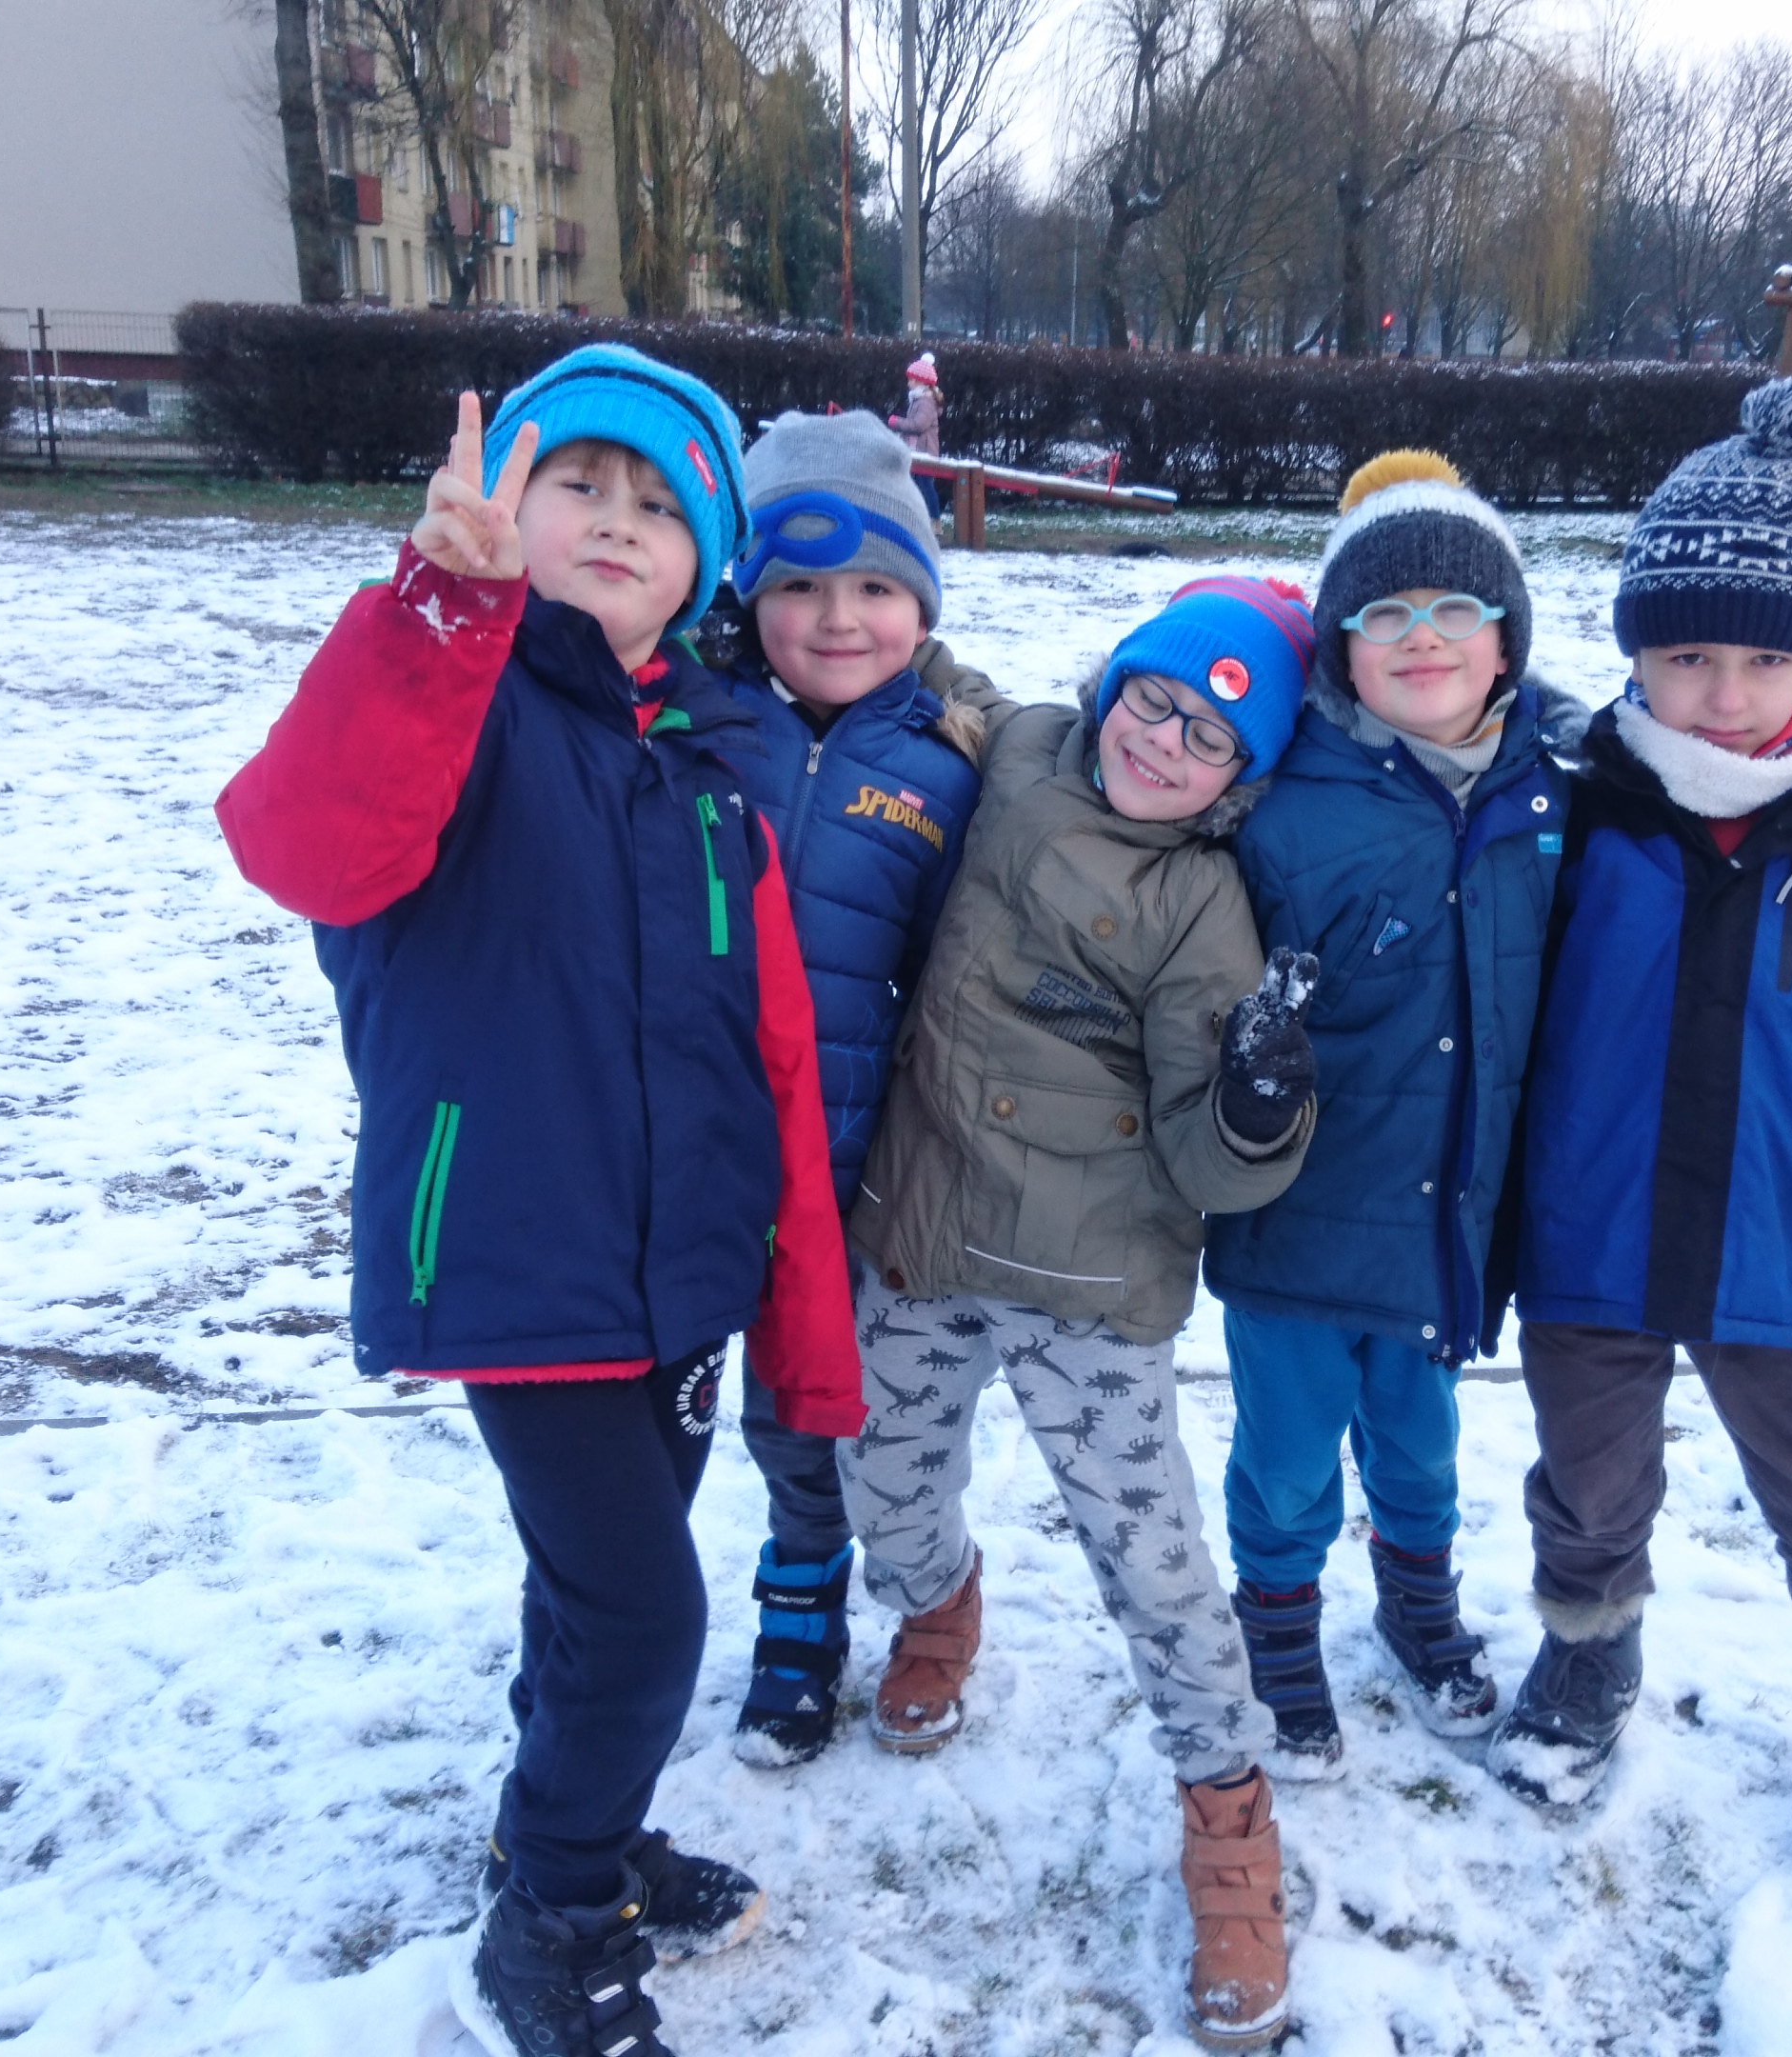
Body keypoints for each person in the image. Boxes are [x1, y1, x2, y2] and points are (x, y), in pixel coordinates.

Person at [214, 343, 862, 2057]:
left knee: (591, 1597)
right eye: (580, 480)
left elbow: (762, 1042)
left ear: (704, 565)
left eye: (660, 505)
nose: (617, 520)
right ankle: (549, 1927)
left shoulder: (711, 763)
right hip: (521, 1252)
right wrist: (440, 607)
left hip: (679, 1268)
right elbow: (307, 845)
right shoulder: (460, 697)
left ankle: (576, 1826)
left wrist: (779, 1272)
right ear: (509, 496)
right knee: (647, 1622)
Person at [1491, 379, 1792, 1906]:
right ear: (1636, 650)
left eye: (1765, 658)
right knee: (1588, 1482)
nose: (1724, 694)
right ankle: (1588, 1653)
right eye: (1688, 656)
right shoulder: (1578, 815)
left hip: (1785, 1249)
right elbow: (1500, 1031)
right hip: (1592, 1237)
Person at [834, 575, 1324, 2051]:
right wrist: (825, 614)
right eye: (1154, 702)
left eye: (1210, 740)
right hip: (921, 1227)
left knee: (1156, 1565)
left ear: (1242, 777)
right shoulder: (1025, 747)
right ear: (1113, 687)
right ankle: (939, 1601)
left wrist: (1256, 1110)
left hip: (1090, 1282)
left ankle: (1228, 1818)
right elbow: (928, 676)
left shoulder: (1202, 909)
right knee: (880, 1485)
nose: (1165, 744)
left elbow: (1208, 1160)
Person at [1202, 449, 1571, 1779]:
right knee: (1289, 1455)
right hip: (1298, 1211)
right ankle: (1277, 1627)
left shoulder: (1554, 792)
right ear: (1339, 648)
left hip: (1447, 1210)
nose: (1424, 638)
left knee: (1422, 1443)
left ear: (1505, 640)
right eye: (1386, 614)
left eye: (1456, 611)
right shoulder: (1274, 799)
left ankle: (1419, 1602)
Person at [715, 406, 989, 1768]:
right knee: (701, 1400)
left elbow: (957, 972)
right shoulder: (699, 727)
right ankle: (635, 1607)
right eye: (801, 587)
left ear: (921, 604)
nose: (838, 620)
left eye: (877, 587)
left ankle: (811, 1585)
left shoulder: (948, 764)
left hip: (850, 1167)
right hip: (699, 1149)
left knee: (817, 1403)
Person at [892, 351, 944, 517]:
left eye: (911, 379)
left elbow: (918, 425)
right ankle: (920, 518)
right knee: (918, 486)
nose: (908, 383)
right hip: (918, 451)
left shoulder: (926, 402)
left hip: (925, 453)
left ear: (921, 381)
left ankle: (934, 520)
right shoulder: (918, 399)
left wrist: (896, 422)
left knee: (925, 487)